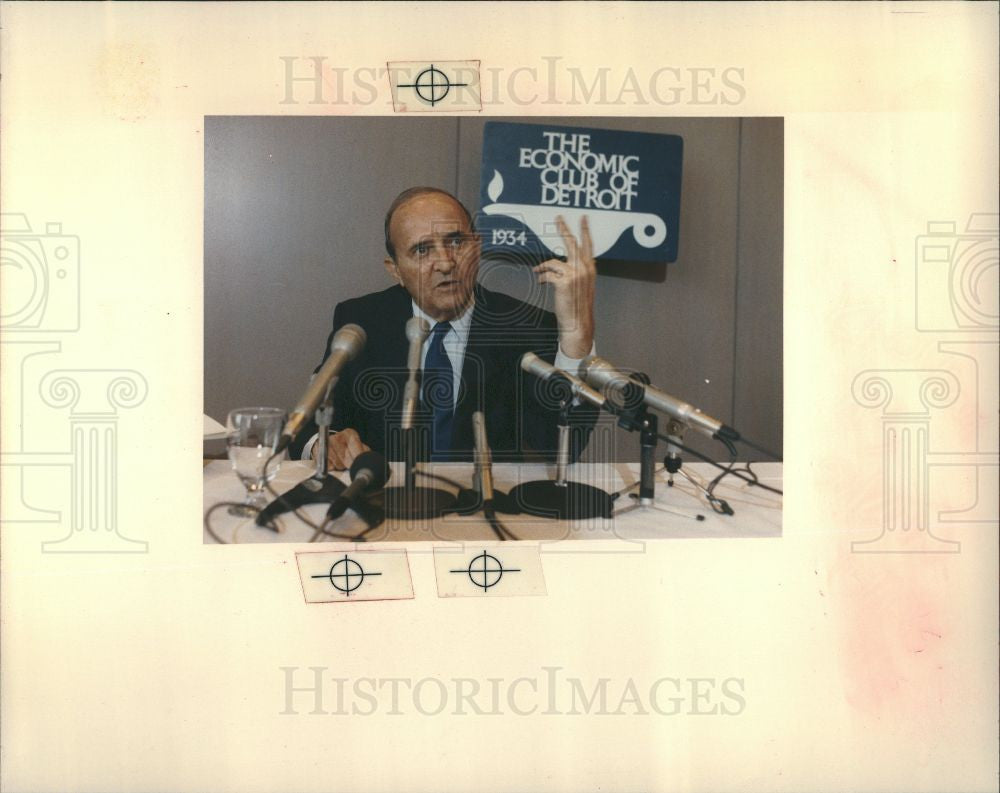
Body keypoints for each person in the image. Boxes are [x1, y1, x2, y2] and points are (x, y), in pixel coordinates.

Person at [294, 186, 598, 469]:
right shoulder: (362, 320)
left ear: (476, 248)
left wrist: (576, 339)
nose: (445, 263)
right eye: (422, 250)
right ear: (395, 270)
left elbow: (561, 446)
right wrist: (323, 442)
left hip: (481, 508)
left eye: (456, 242)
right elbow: (306, 422)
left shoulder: (526, 326)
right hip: (383, 501)